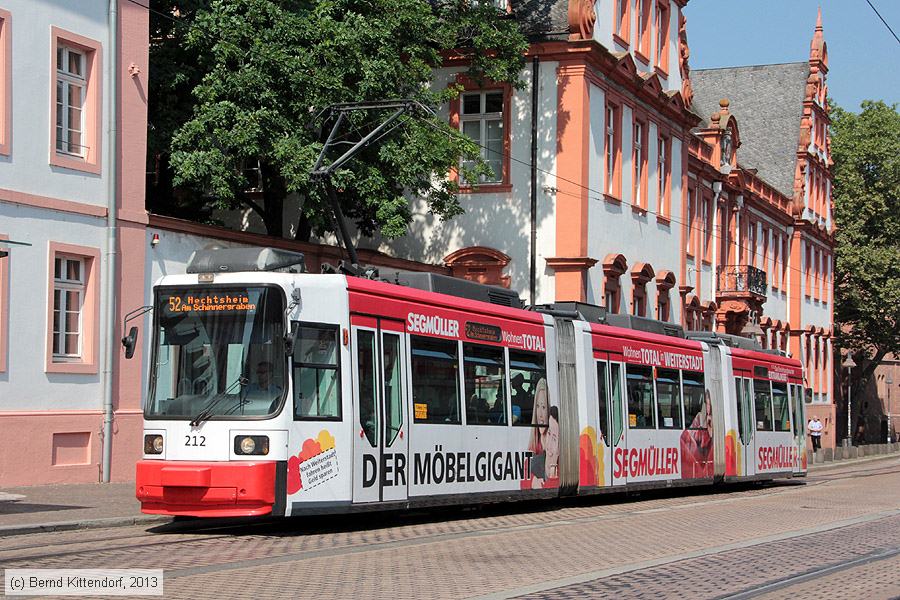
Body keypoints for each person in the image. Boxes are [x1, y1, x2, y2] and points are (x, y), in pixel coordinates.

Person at [680, 389, 714, 478]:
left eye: (709, 404)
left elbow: (710, 439)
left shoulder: (712, 420)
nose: (707, 407)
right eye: (706, 404)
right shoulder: (699, 417)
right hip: (699, 455)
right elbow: (691, 434)